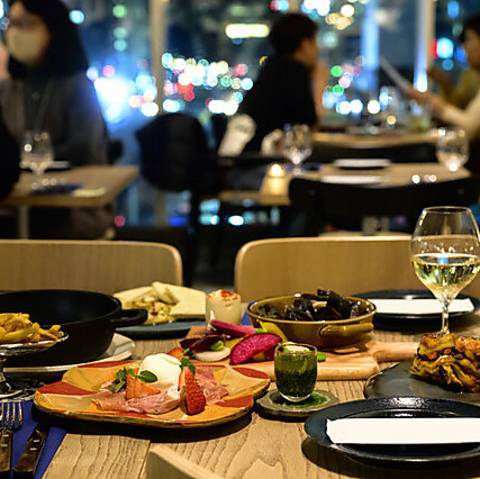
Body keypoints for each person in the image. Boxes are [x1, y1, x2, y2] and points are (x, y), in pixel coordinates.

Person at [0, 0, 112, 238]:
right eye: (12, 23)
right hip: (14, 205)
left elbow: (83, 148)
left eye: (26, 23)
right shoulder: (8, 89)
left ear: (53, 29)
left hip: (70, 207)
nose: (16, 32)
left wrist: (23, 161)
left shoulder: (78, 86)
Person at [232, 13, 328, 153]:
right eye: (315, 42)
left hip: (246, 156)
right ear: (304, 44)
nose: (318, 49)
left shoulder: (273, 67)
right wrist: (320, 84)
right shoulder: (294, 71)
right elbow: (303, 133)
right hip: (261, 160)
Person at [409, 13, 480, 142]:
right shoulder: (471, 74)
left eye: (468, 39)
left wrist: (430, 101)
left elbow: (469, 127)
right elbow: (461, 108)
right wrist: (446, 85)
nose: (465, 47)